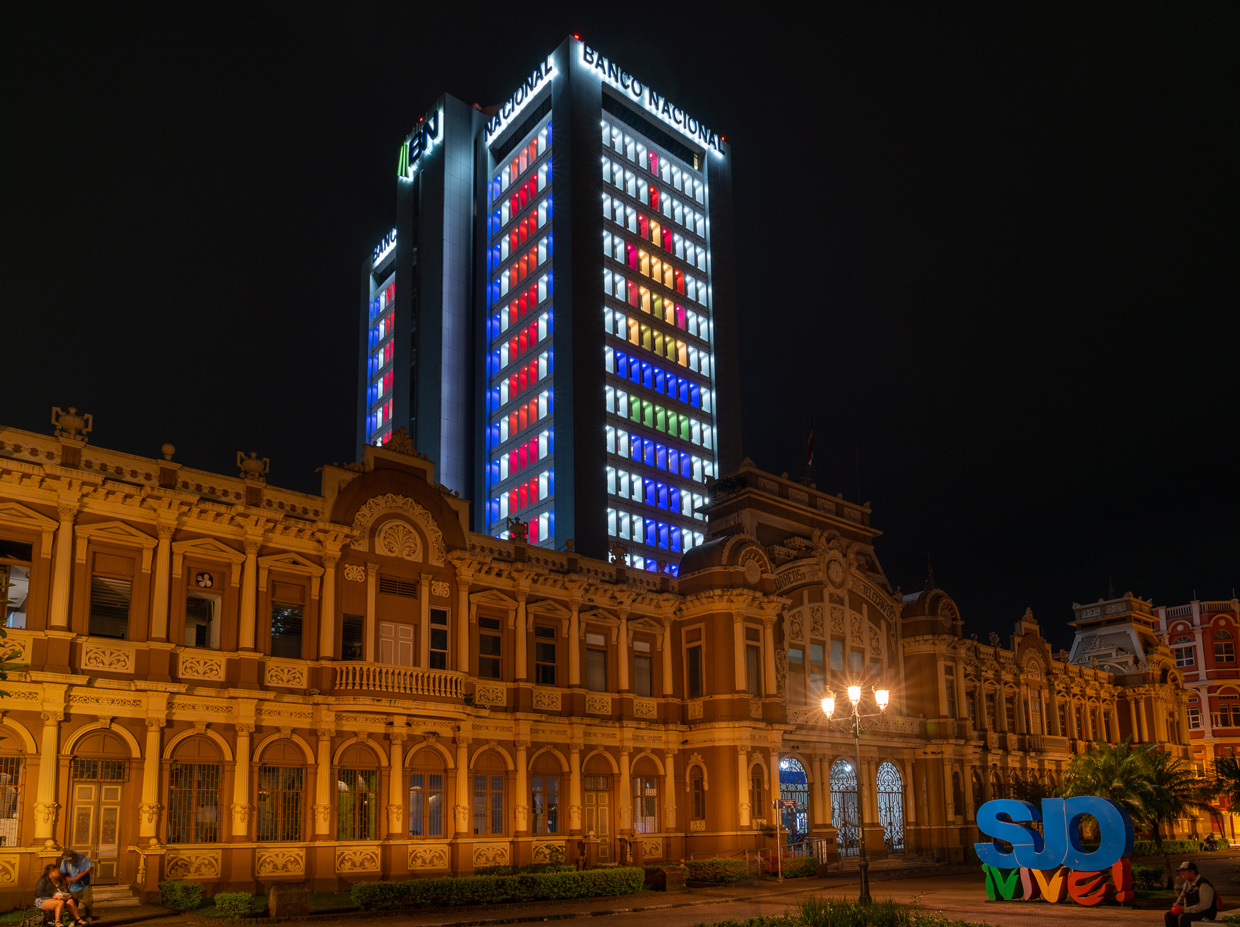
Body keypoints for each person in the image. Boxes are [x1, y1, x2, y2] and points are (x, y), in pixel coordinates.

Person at [1166, 860, 1218, 926]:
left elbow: (1204, 906)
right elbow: (1182, 896)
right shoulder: (1187, 883)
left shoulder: (1203, 885)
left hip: (1205, 913)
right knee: (1169, 915)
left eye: (1184, 871)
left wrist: (1185, 910)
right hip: (1191, 910)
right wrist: (1176, 905)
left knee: (1183, 918)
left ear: (1192, 872)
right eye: (1181, 872)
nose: (1181, 873)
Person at [59, 849, 93, 923]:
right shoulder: (64, 861)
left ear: (74, 856)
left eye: (71, 860)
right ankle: (73, 918)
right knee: (73, 903)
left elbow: (89, 868)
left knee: (87, 902)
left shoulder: (83, 858)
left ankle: (88, 916)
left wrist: (78, 876)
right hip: (72, 886)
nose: (70, 862)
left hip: (84, 884)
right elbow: (62, 873)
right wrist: (65, 879)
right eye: (68, 861)